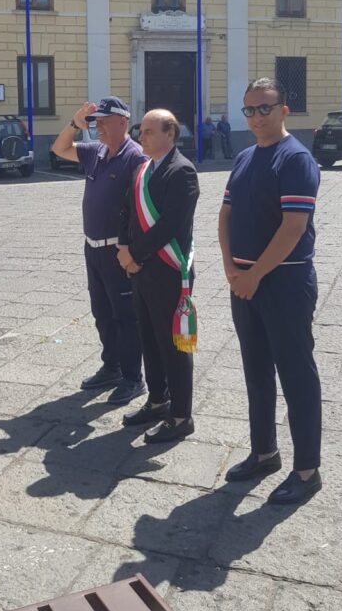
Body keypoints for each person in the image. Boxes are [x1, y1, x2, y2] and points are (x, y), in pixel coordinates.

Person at [218, 78, 322, 506]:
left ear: (284, 110)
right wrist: (230, 269)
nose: (256, 117)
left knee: (297, 376)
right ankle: (264, 453)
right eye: (249, 110)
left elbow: (292, 229)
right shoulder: (244, 156)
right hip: (244, 282)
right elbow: (224, 215)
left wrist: (254, 274)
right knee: (256, 371)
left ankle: (308, 470)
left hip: (283, 282)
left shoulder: (295, 158)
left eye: (265, 108)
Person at [50, 97, 147, 405]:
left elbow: (139, 208)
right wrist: (75, 124)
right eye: (96, 122)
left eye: (104, 121)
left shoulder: (135, 157)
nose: (99, 127)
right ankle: (112, 366)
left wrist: (130, 249)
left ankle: (134, 377)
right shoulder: (97, 152)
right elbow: (59, 149)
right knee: (102, 313)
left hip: (118, 251)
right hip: (93, 248)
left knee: (126, 317)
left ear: (123, 121)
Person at [117, 110, 199, 443]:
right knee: (148, 339)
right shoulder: (142, 170)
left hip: (168, 271)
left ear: (170, 133)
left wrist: (135, 254)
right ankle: (157, 399)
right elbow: (127, 212)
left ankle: (180, 415)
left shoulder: (183, 172)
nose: (142, 137)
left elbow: (170, 225)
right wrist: (124, 249)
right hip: (140, 271)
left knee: (174, 345)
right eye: (141, 131)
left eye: (149, 131)